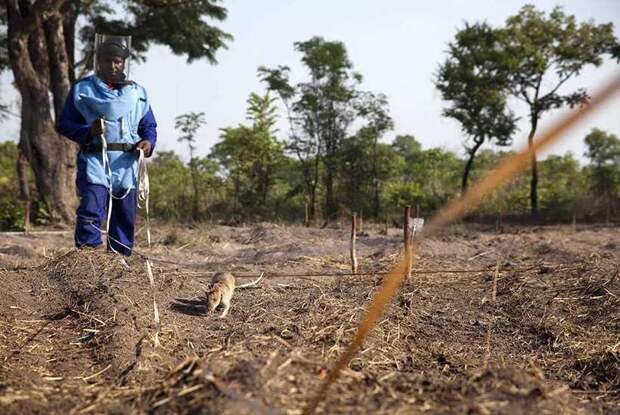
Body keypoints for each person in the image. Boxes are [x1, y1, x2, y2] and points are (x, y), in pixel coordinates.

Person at [57, 35, 157, 256]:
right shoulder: (83, 90)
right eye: (108, 60)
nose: (113, 65)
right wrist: (87, 131)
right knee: (91, 209)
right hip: (95, 160)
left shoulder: (138, 94)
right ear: (99, 61)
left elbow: (148, 125)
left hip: (127, 164)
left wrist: (147, 143)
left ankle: (118, 262)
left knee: (124, 215)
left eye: (117, 61)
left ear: (124, 63)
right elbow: (64, 124)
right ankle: (88, 258)